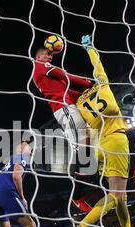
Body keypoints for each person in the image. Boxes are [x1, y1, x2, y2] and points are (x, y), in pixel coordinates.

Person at [73, 35, 135, 227]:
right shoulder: (101, 84)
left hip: (99, 148)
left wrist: (84, 157)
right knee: (116, 196)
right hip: (116, 139)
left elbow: (85, 134)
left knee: (121, 197)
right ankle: (82, 226)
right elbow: (98, 65)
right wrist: (90, 49)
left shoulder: (79, 104)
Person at [33, 46, 93, 213]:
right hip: (65, 109)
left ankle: (79, 193)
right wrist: (88, 84)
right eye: (47, 54)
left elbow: (68, 91)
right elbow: (65, 76)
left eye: (51, 55)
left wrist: (87, 91)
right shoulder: (40, 66)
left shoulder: (49, 78)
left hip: (67, 108)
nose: (50, 57)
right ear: (38, 56)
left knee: (87, 148)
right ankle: (77, 196)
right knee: (84, 148)